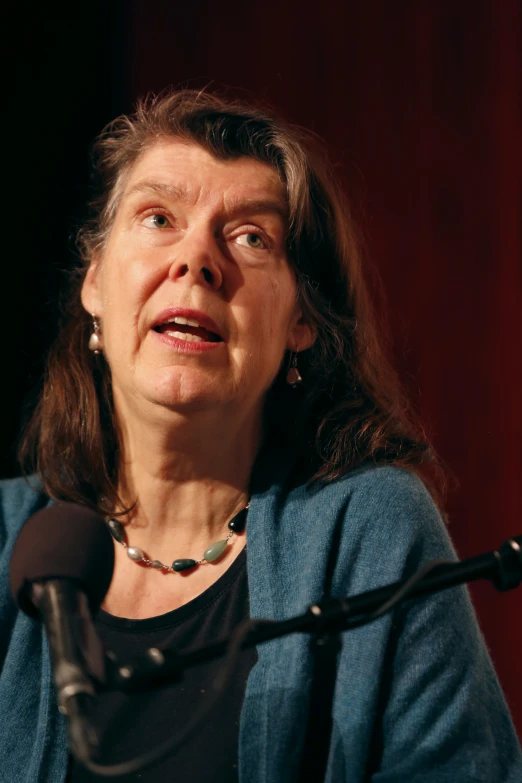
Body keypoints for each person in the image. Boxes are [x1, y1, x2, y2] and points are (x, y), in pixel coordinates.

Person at [0, 89, 520, 783]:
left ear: (300, 321)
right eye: (159, 217)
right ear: (94, 283)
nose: (197, 259)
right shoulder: (7, 536)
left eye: (251, 236)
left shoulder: (369, 534)